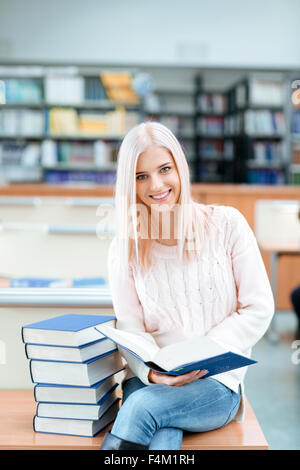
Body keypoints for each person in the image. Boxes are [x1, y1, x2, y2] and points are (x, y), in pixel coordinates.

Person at [100, 122, 275, 451]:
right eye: (141, 176)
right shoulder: (124, 248)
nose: (157, 185)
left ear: (179, 167)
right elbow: (130, 326)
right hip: (152, 380)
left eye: (165, 169)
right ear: (130, 184)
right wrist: (154, 375)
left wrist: (203, 354)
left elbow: (258, 307)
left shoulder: (227, 225)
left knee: (141, 409)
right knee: (161, 438)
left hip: (214, 384)